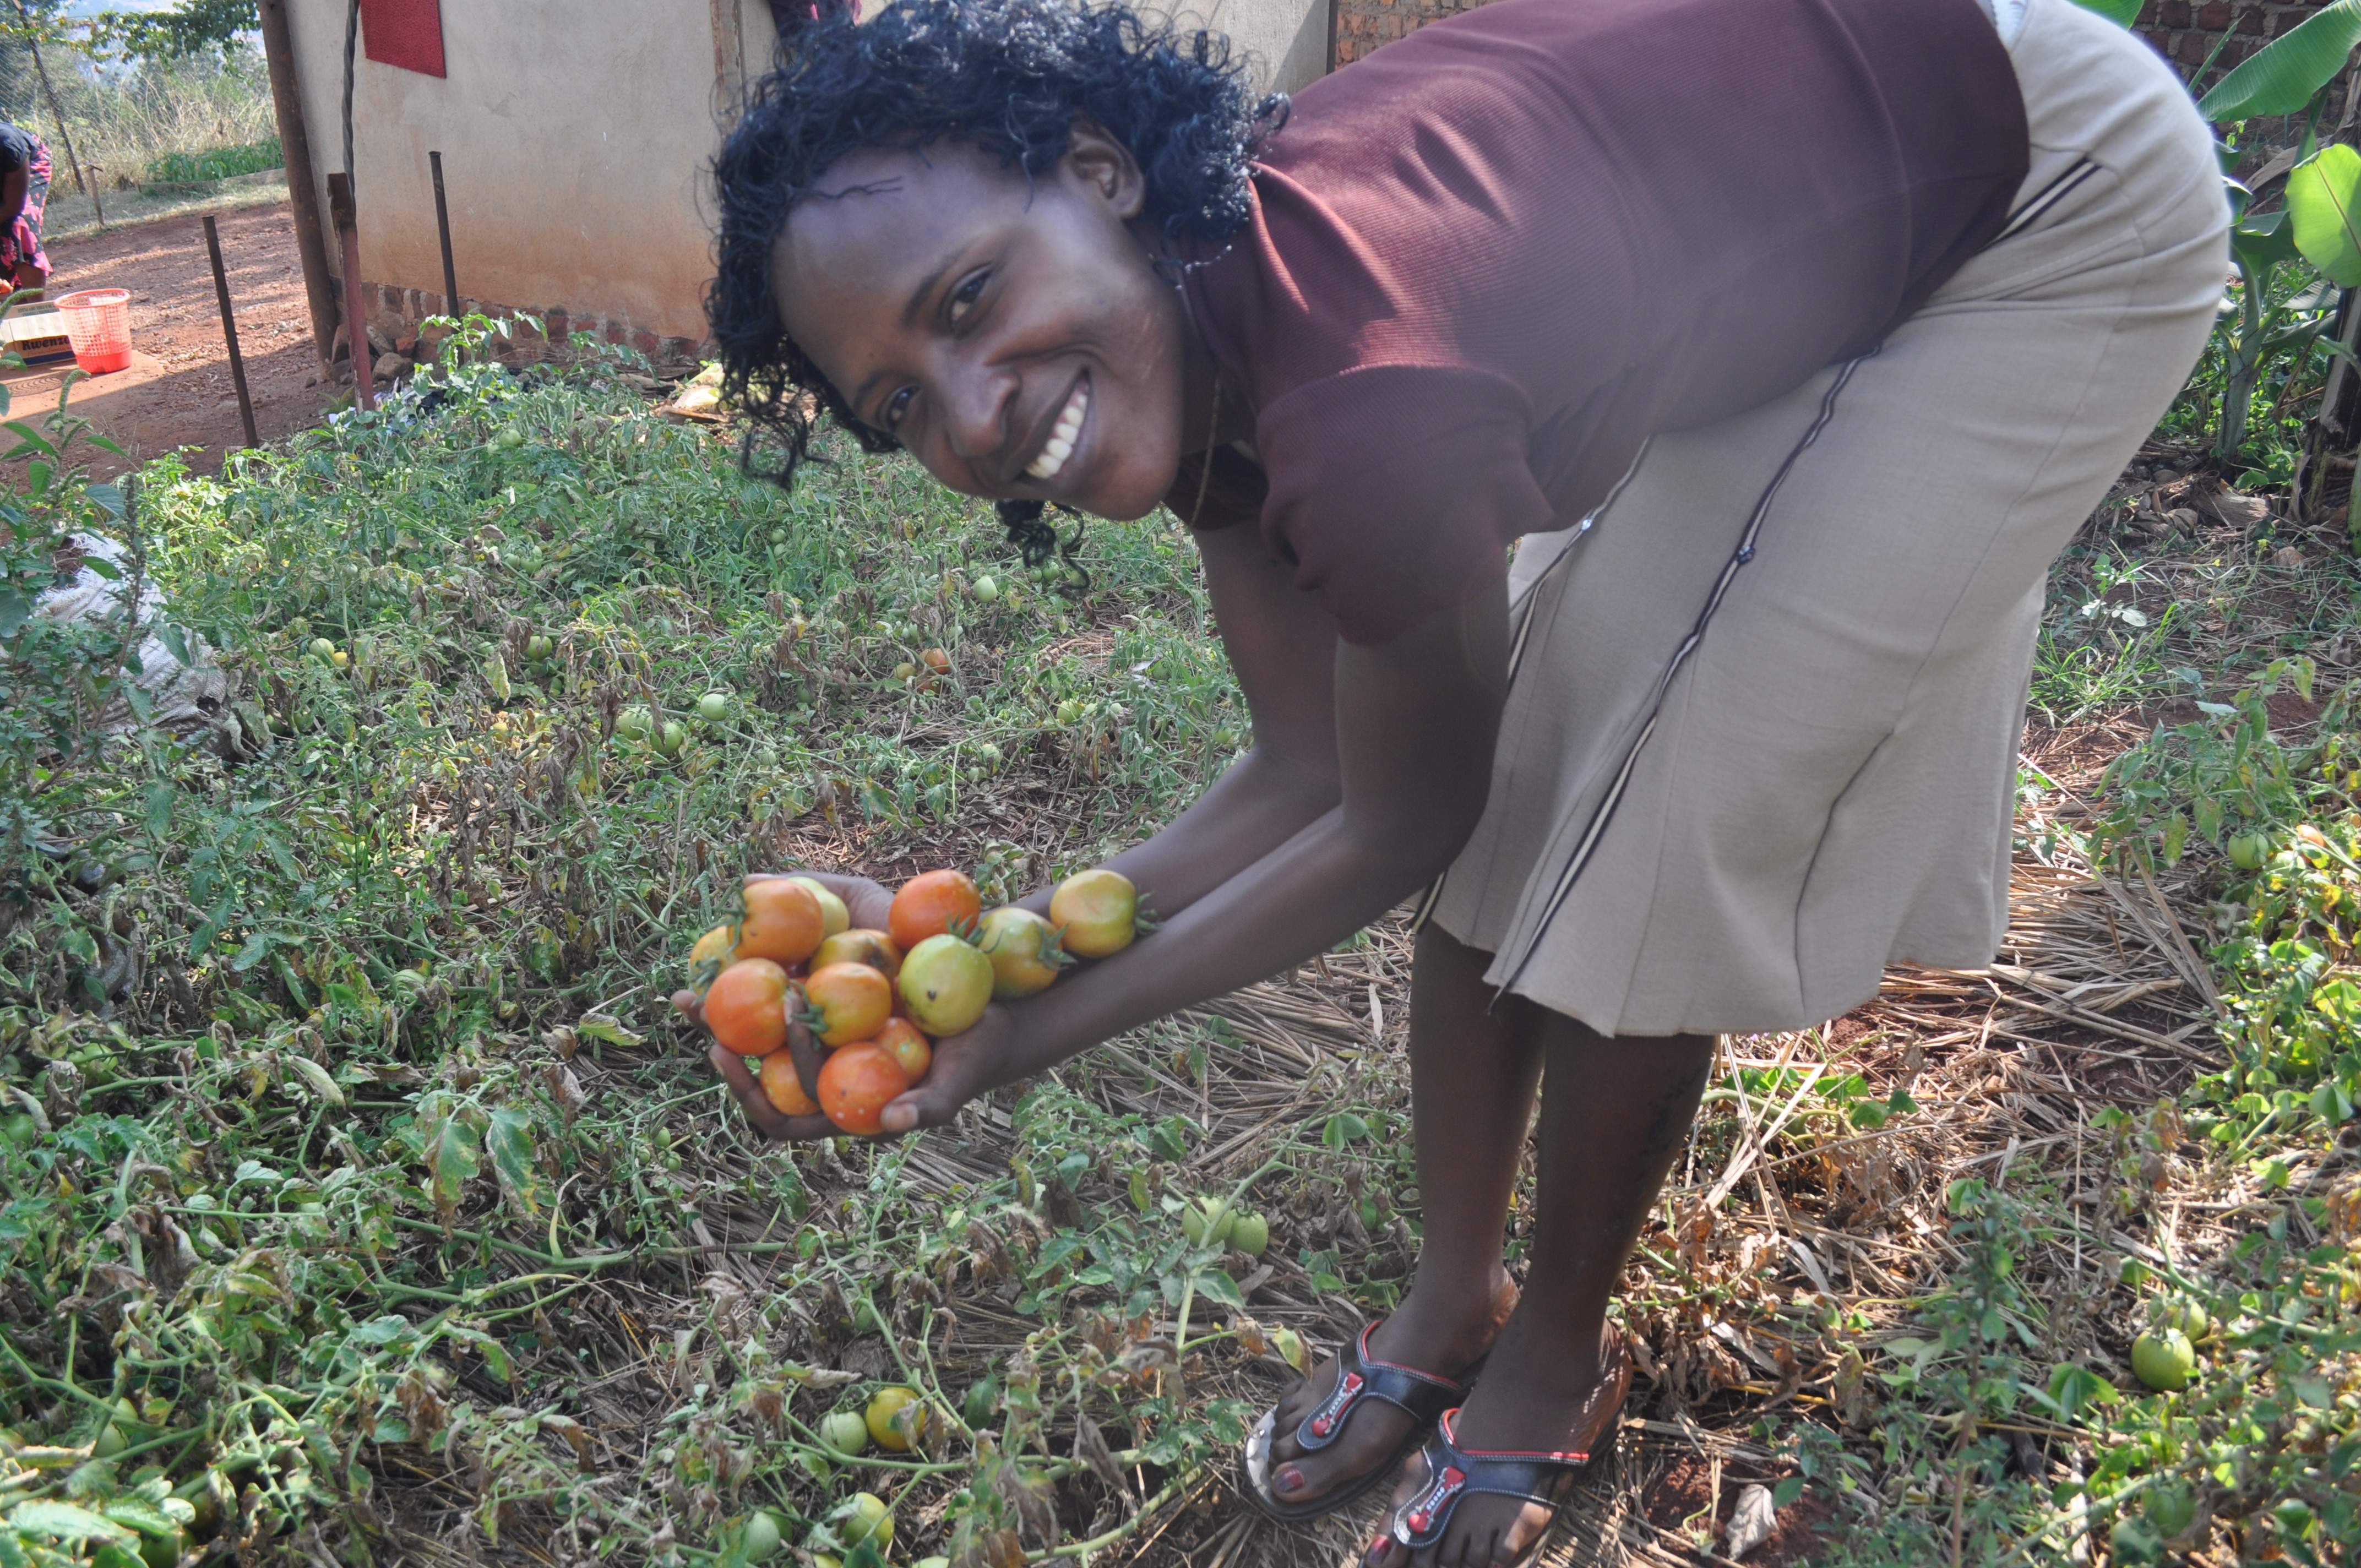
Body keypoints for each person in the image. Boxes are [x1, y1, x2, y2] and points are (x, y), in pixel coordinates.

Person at [687, 0, 2226, 1561]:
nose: (970, 414)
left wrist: (1027, 1033)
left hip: (2037, 189)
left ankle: (1552, 1355)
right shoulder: (1189, 326)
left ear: (1101, 174)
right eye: (899, 405)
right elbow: (1311, 763)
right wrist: (982, 947)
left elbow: (1402, 820)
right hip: (1837, 181)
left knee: (1654, 812)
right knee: (1538, 741)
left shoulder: (1358, 382)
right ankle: (1453, 1296)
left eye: (966, 299)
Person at [0, 120, 51, 296]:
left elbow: (12, 206)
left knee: (20, 223)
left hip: (30, 163)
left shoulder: (8, 144)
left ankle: (35, 308)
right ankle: (13, 300)